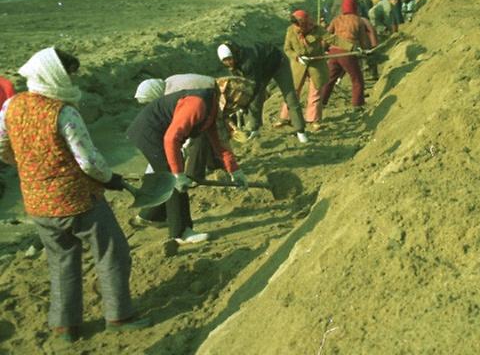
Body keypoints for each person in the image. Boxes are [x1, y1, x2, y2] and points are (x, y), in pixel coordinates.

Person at [0, 47, 149, 342]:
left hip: (37, 203)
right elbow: (89, 161)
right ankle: (118, 315)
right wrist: (111, 179)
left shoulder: (11, 106)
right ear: (55, 74)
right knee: (111, 252)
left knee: (61, 260)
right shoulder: (63, 112)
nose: (71, 80)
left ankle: (64, 326)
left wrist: (30, 169)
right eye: (68, 74)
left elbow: (2, 148)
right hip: (77, 200)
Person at [126, 76, 252, 244]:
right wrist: (178, 174)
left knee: (171, 176)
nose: (235, 109)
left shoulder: (213, 108)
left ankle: (151, 216)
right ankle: (181, 232)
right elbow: (171, 138)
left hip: (159, 132)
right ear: (228, 96)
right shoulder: (199, 104)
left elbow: (219, 143)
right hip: (150, 132)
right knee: (172, 178)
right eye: (235, 104)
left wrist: (235, 171)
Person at [216, 41, 309, 143]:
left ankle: (300, 131)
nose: (228, 62)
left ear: (233, 54)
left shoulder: (248, 62)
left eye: (229, 59)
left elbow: (253, 87)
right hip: (261, 69)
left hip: (278, 63)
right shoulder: (234, 63)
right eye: (225, 61)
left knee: (290, 96)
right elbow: (240, 85)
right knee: (255, 100)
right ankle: (255, 129)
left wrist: (244, 105)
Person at [281, 9, 353, 131]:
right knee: (293, 91)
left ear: (304, 23)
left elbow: (333, 39)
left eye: (299, 25)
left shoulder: (317, 29)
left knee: (315, 93)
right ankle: (285, 118)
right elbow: (287, 49)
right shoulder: (290, 31)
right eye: (295, 25)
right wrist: (297, 57)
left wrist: (351, 47)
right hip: (299, 65)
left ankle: (314, 120)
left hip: (316, 65)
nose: (296, 28)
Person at [321, 0, 371, 109]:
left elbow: (326, 37)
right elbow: (363, 40)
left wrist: (323, 49)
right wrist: (365, 50)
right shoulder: (357, 20)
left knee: (329, 79)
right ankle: (357, 104)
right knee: (357, 79)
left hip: (334, 52)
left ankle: (321, 102)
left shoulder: (336, 19)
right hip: (347, 52)